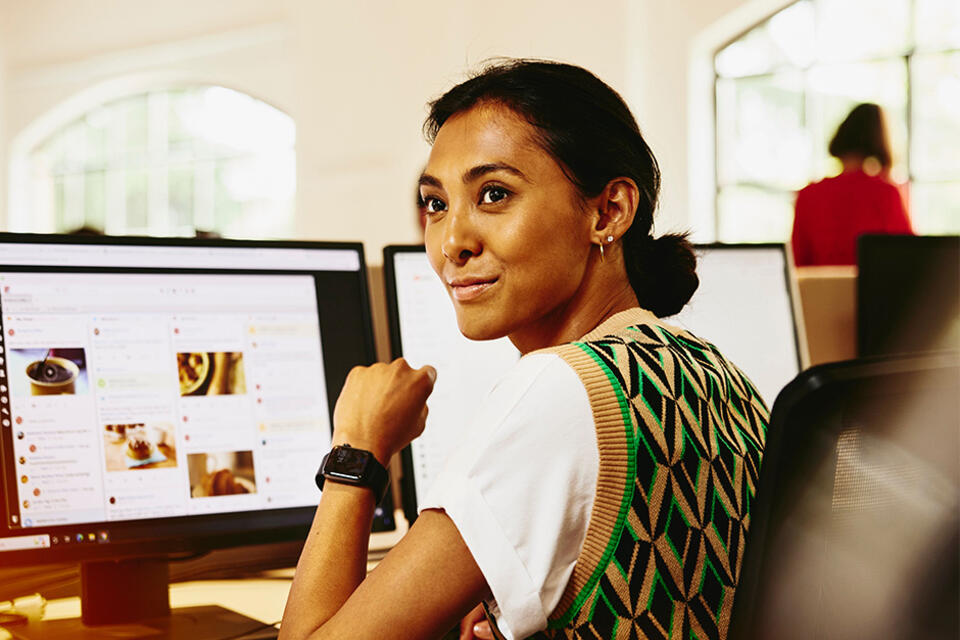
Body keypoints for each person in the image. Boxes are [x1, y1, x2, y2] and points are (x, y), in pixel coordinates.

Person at [279, 59, 769, 640]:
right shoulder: (708, 366)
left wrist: (356, 451)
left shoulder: (558, 389)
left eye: (493, 194)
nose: (452, 243)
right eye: (436, 204)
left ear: (608, 211)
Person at [791, 103, 912, 266]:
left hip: (819, 291)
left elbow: (796, 265)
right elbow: (910, 258)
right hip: (873, 291)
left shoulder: (809, 194)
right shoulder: (886, 193)